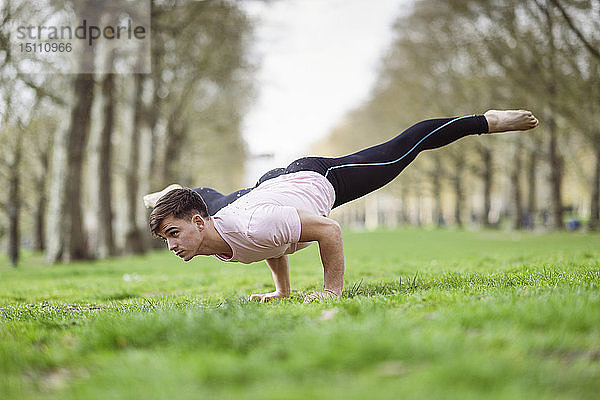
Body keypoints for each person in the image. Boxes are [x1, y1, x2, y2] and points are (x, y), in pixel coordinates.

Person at [145, 110, 539, 303]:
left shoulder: (255, 224)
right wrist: (282, 292)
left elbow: (328, 231)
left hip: (312, 179)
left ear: (196, 223)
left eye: (173, 234)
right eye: (167, 237)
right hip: (254, 195)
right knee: (215, 201)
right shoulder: (218, 230)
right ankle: (176, 194)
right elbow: (269, 246)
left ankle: (486, 120)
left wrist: (331, 291)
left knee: (399, 153)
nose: (172, 245)